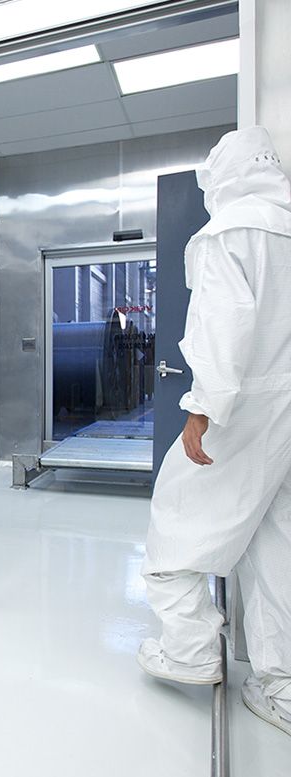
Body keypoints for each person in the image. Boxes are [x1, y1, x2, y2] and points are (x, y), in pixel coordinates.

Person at [138, 126, 291, 737]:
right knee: (275, 545)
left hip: (241, 405)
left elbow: (225, 327)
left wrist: (203, 407)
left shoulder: (231, 232)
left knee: (174, 522)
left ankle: (191, 651)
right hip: (286, 408)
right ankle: (281, 687)